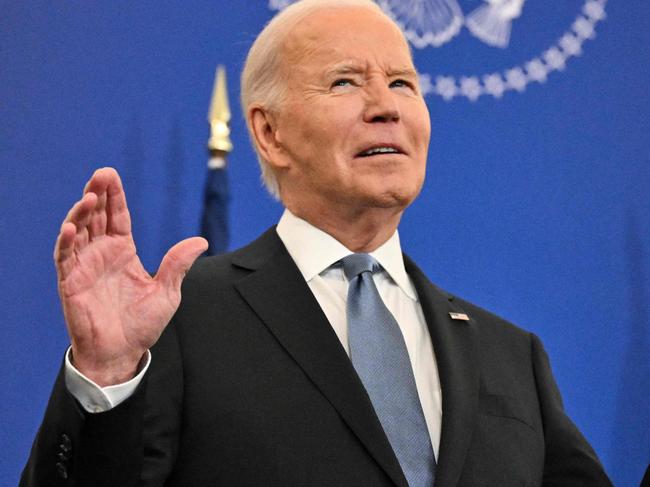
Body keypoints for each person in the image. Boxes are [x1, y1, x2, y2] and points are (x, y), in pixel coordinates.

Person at [21, 0, 613, 485]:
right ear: (270, 133)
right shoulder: (178, 320)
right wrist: (105, 374)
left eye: (403, 82)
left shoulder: (512, 356)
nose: (386, 106)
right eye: (345, 82)